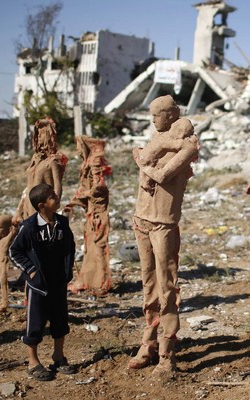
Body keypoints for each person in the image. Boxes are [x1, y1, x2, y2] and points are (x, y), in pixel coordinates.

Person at [128, 95, 199, 379]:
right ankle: (149, 341)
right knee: (148, 286)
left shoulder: (188, 143)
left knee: (166, 287)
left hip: (163, 223)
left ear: (171, 115)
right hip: (142, 218)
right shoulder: (158, 137)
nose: (153, 120)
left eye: (157, 115)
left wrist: (140, 158)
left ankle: (167, 352)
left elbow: (161, 175)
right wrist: (147, 153)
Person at [9, 183, 76, 381]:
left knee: (60, 320)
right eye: (52, 197)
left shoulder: (62, 223)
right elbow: (15, 251)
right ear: (42, 205)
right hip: (38, 284)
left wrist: (68, 269)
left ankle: (58, 355)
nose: (57, 198)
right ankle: (33, 361)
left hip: (58, 281)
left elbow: (69, 246)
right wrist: (30, 270)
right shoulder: (29, 227)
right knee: (35, 323)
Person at [64, 135, 111, 295]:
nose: (77, 150)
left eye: (79, 146)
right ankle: (90, 280)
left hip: (98, 211)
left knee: (98, 245)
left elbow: (100, 188)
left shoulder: (95, 162)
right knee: (90, 246)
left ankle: (101, 282)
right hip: (91, 210)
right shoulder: (88, 162)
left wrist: (84, 194)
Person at [12, 117, 68, 225]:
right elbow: (27, 189)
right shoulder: (35, 159)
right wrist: (18, 211)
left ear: (49, 135)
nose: (38, 137)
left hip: (42, 208)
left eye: (41, 134)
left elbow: (57, 185)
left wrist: (53, 206)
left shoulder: (53, 161)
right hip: (28, 205)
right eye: (37, 134)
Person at [0, 215, 17, 313]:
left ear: (9, 228)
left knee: (4, 284)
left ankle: (5, 303)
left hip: (4, 265)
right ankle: (3, 300)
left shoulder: (7, 239)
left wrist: (16, 221)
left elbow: (15, 230)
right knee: (1, 284)